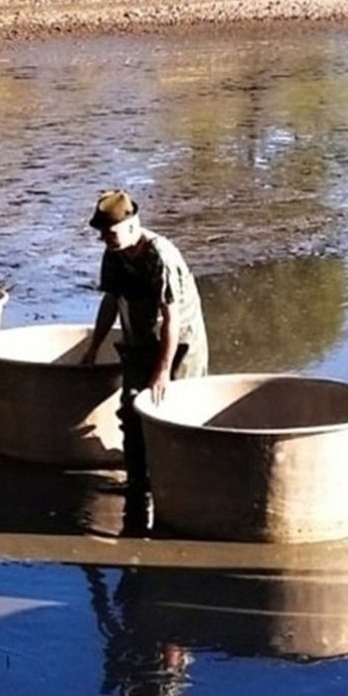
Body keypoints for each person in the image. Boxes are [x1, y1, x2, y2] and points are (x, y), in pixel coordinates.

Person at [80, 190, 208, 493]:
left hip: (180, 344)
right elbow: (111, 301)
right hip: (139, 339)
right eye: (102, 234)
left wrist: (162, 371)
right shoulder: (114, 252)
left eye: (110, 233)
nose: (105, 239)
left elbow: (171, 318)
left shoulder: (159, 256)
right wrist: (94, 346)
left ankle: (179, 487)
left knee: (175, 413)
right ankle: (138, 484)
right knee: (131, 410)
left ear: (132, 225)